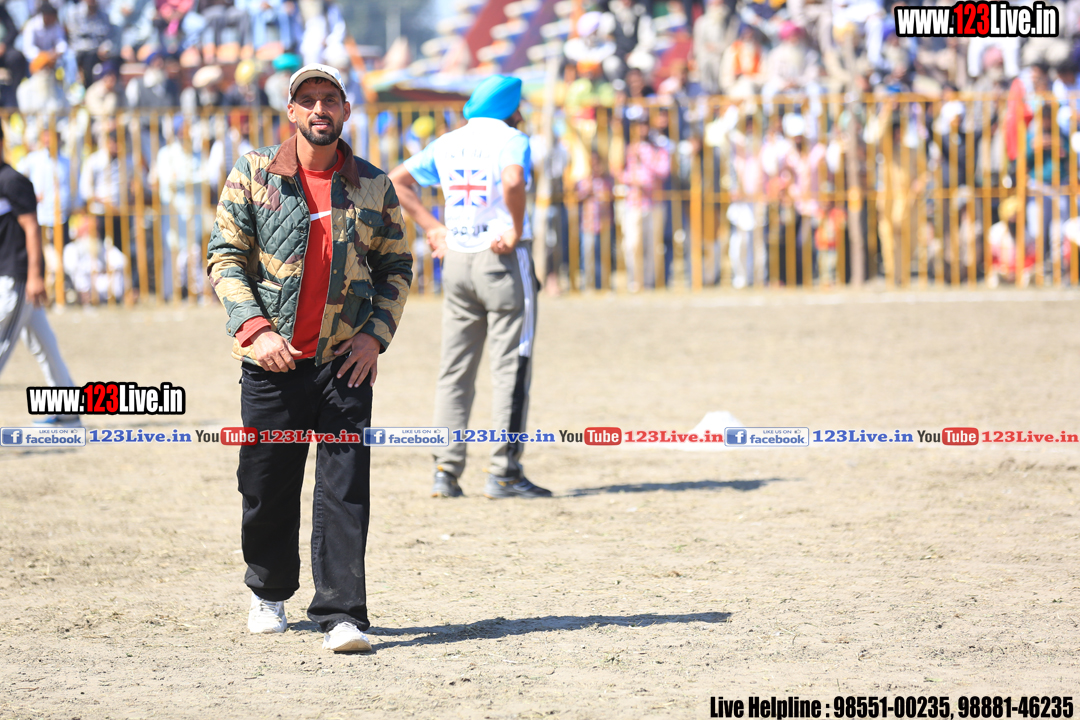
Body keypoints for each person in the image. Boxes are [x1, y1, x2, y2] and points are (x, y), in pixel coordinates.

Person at [206, 63, 412, 653]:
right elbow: (224, 255)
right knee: (266, 483)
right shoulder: (253, 173)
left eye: (330, 99)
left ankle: (342, 614)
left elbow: (397, 266)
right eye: (309, 100)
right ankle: (268, 591)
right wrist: (254, 330)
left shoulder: (373, 184)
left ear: (345, 110)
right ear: (292, 111)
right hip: (271, 361)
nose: (320, 109)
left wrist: (374, 337)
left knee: (345, 489)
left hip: (346, 362)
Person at [387, 74, 551, 500]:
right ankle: (504, 471)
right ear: (512, 108)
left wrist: (433, 227)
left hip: (457, 259)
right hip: (501, 258)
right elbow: (513, 181)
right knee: (511, 366)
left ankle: (445, 469)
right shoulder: (512, 139)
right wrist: (515, 227)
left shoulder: (447, 142)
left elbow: (396, 179)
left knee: (455, 369)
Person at [0, 121, 78, 426]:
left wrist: (34, 276)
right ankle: (67, 408)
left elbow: (32, 229)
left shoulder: (13, 181)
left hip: (17, 278)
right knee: (44, 345)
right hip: (7, 275)